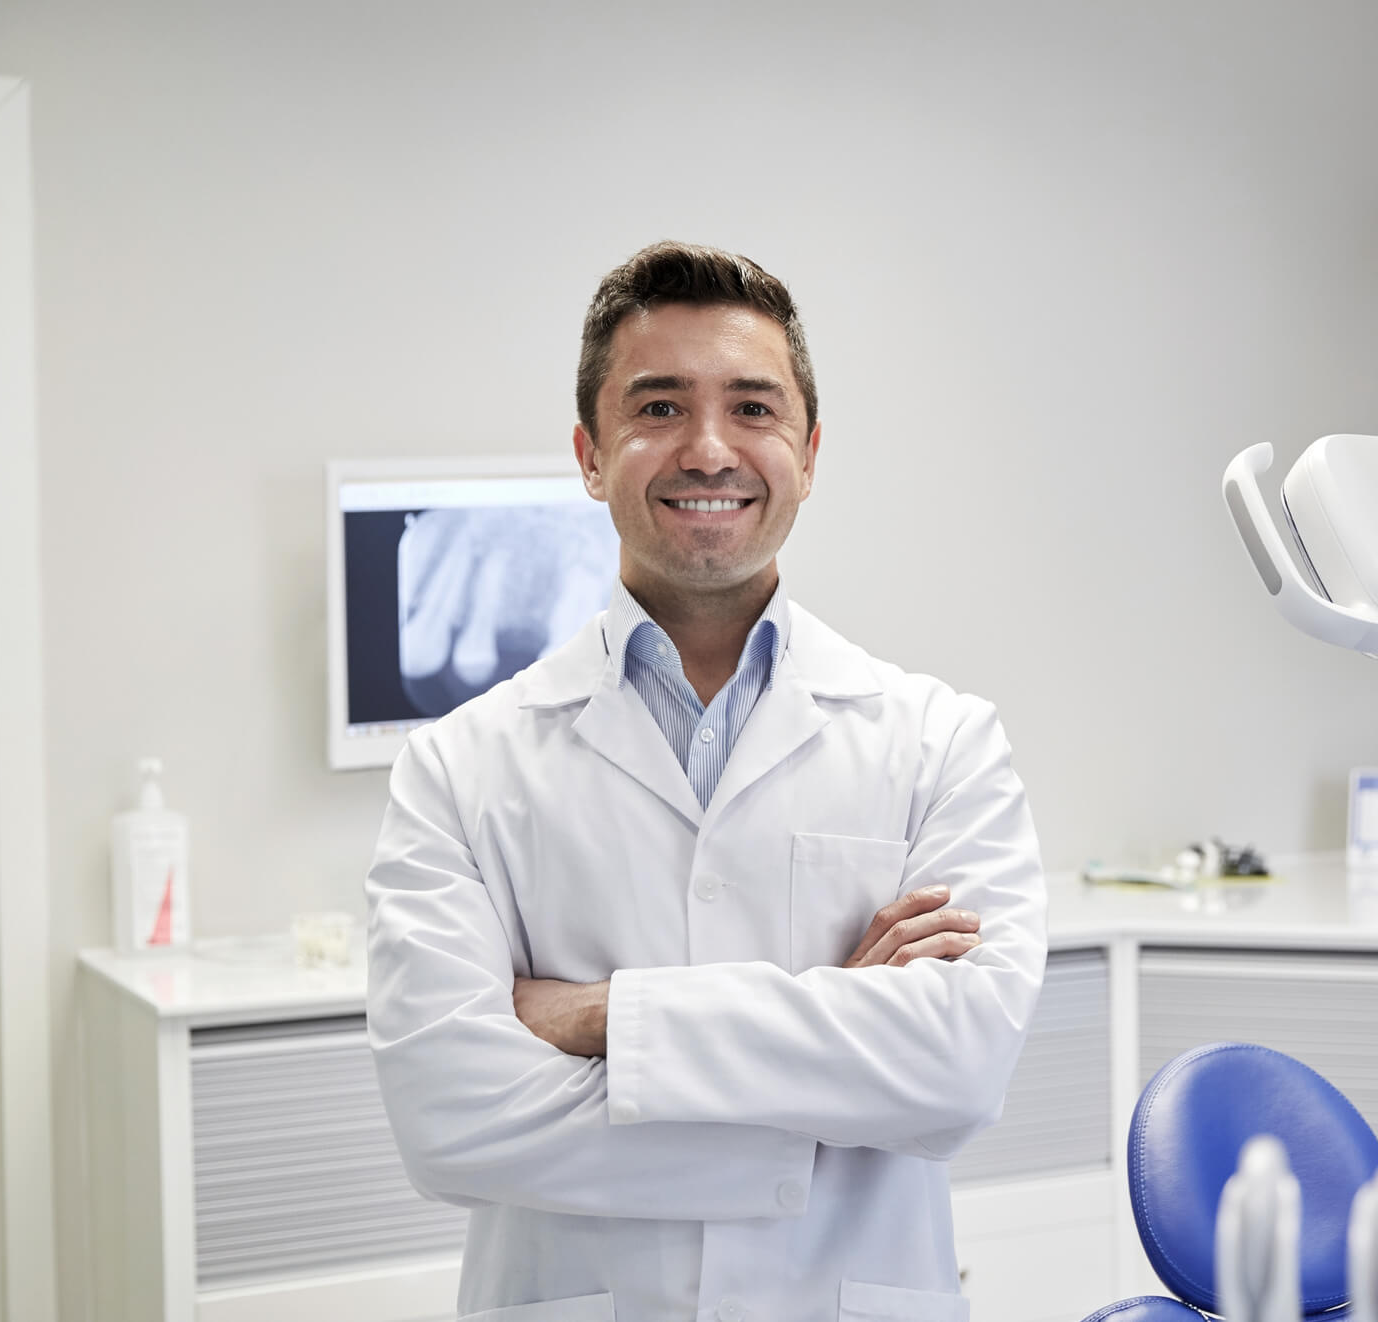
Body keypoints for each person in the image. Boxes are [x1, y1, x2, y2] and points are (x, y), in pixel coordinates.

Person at [365, 241, 1047, 1322]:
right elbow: (447, 1117)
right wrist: (828, 1076)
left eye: (752, 408)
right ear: (591, 454)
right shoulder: (459, 765)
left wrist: (599, 1017)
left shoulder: (939, 742)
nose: (709, 448)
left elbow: (956, 1073)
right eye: (658, 407)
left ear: (808, 451)